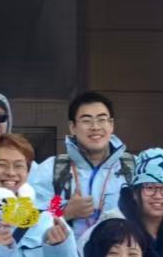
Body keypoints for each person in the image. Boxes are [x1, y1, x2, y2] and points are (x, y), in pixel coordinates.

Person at [31, 91, 134, 243]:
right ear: (72, 127)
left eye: (102, 119)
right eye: (86, 120)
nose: (95, 127)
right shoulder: (52, 169)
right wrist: (65, 212)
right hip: (66, 256)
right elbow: (30, 220)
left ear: (111, 125)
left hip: (121, 255)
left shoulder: (133, 168)